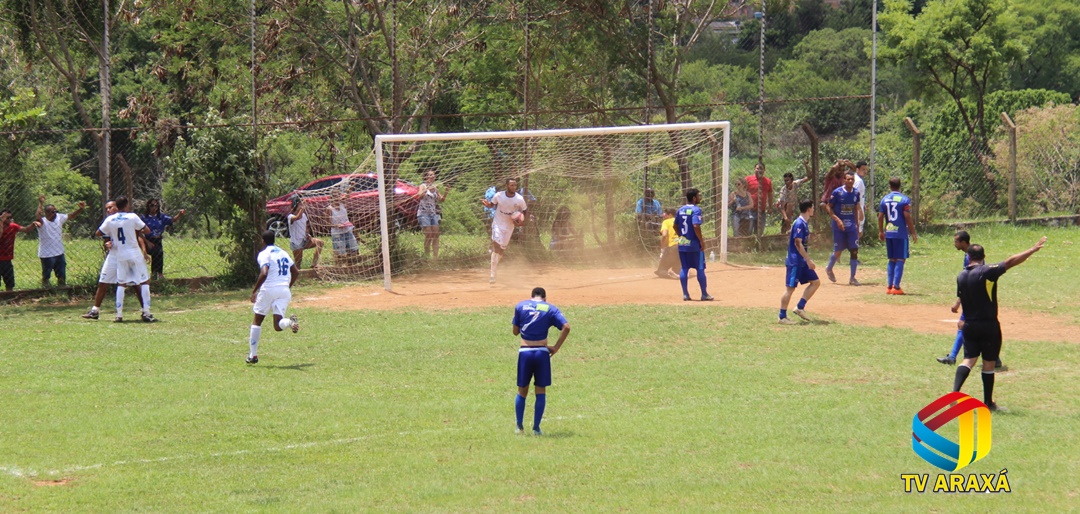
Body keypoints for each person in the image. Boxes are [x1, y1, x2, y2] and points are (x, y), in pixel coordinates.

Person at [952, 236, 1047, 412]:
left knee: (968, 360)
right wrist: (1032, 250)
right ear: (983, 256)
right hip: (988, 325)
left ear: (969, 257)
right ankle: (988, 403)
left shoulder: (961, 276)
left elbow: (962, 299)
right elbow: (1010, 262)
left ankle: (954, 394)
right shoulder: (986, 271)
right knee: (988, 363)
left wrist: (963, 320)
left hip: (969, 325)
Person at [937, 231, 1004, 369]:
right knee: (967, 326)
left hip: (972, 300)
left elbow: (969, 281)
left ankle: (953, 357)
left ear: (963, 242)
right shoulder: (972, 254)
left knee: (965, 325)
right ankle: (993, 358)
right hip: (974, 299)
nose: (954, 243)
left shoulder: (970, 257)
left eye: (956, 241)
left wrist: (957, 302)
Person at [512, 286, 570, 436]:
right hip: (542, 353)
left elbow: (515, 331)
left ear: (531, 296)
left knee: (522, 389)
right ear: (545, 298)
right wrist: (556, 347)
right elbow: (566, 327)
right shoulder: (550, 308)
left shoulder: (520, 306)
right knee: (540, 390)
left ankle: (519, 427)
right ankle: (536, 428)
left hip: (525, 352)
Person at [96, 196, 157, 322]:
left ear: (116, 207)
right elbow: (146, 230)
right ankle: (146, 312)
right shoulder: (132, 217)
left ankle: (119, 315)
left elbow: (98, 233)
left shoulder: (110, 219)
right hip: (134, 253)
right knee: (144, 282)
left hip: (120, 254)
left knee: (121, 283)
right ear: (127, 205)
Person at [82, 201, 145, 320]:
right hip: (114, 254)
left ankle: (145, 310)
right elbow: (101, 234)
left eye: (110, 207)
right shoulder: (110, 221)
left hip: (127, 254)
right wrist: (107, 243)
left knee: (135, 283)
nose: (108, 210)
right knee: (103, 281)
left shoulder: (129, 218)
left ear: (118, 207)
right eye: (106, 208)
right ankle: (95, 311)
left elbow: (138, 234)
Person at [246, 230, 301, 364]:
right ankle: (289, 322)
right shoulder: (283, 252)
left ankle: (253, 355)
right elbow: (295, 271)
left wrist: (254, 290)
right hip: (283, 290)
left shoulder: (264, 254)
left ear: (263, 241)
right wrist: (287, 286)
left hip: (269, 289)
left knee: (257, 320)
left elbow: (264, 273)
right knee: (278, 325)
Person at [779, 200, 821, 324]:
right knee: (790, 289)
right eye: (813, 207)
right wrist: (808, 259)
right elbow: (798, 243)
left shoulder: (804, 223)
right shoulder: (799, 223)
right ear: (808, 209)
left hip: (802, 261)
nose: (813, 210)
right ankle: (782, 317)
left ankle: (800, 307)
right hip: (796, 262)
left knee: (815, 282)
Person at [481, 178, 527, 284]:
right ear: (507, 185)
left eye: (515, 185)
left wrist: (521, 221)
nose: (514, 187)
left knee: (502, 250)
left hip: (509, 225)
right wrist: (488, 205)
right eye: (511, 185)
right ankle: (492, 274)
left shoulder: (519, 199)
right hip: (498, 223)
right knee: (496, 246)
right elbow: (492, 204)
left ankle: (495, 266)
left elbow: (525, 211)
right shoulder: (499, 195)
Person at [35, 194, 86, 288]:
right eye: (52, 212)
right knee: (46, 274)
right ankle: (46, 288)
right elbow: (38, 216)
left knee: (61, 273)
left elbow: (71, 216)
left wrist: (80, 209)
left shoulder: (59, 217)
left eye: (55, 211)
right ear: (46, 213)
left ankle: (61, 288)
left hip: (59, 252)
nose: (55, 213)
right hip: (47, 254)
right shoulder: (42, 222)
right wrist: (40, 203)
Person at [878, 177, 917, 294]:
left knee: (892, 259)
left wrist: (881, 231)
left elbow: (880, 216)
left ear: (890, 186)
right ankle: (897, 287)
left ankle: (889, 287)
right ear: (900, 186)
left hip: (889, 233)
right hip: (900, 234)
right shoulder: (904, 199)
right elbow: (907, 216)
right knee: (901, 259)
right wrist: (913, 232)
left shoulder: (884, 200)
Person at [824, 171, 863, 285]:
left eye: (852, 179)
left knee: (854, 250)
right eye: (848, 179)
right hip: (839, 227)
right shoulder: (837, 193)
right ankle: (829, 268)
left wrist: (857, 225)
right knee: (838, 251)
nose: (850, 181)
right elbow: (828, 207)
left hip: (851, 227)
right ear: (844, 180)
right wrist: (837, 219)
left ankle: (852, 278)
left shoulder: (855, 193)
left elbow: (855, 208)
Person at [675, 188, 713, 301]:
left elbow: (675, 226)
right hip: (694, 244)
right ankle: (704, 294)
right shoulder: (696, 210)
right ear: (694, 198)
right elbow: (696, 225)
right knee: (700, 268)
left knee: (684, 268)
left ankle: (685, 294)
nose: (700, 198)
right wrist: (701, 240)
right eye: (699, 196)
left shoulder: (680, 210)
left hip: (683, 242)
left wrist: (681, 236)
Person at [140, 198, 186, 280]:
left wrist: (179, 214)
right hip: (148, 241)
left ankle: (156, 274)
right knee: (157, 253)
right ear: (148, 206)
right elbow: (139, 232)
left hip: (158, 240)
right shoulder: (144, 218)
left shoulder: (161, 217)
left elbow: (172, 220)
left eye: (156, 205)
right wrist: (147, 242)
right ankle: (158, 274)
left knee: (158, 253)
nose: (154, 207)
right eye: (152, 205)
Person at [0, 209, 41, 291]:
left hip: (7, 259)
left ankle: (9, 296)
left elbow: (26, 229)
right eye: (6, 217)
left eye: (10, 217)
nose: (9, 219)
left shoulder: (13, 226)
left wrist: (33, 224)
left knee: (9, 281)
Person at [415, 169, 447, 259]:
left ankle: (435, 258)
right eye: (430, 175)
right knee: (428, 235)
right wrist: (426, 190)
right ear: (426, 177)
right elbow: (419, 195)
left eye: (433, 175)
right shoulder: (423, 185)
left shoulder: (435, 188)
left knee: (436, 234)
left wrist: (446, 191)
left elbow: (442, 199)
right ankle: (427, 256)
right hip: (423, 214)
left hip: (433, 214)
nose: (433, 176)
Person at [288, 196, 322, 269]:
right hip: (296, 243)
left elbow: (306, 226)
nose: (302, 206)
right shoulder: (290, 216)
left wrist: (308, 234)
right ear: (295, 205)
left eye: (302, 205)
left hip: (304, 240)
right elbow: (297, 217)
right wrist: (302, 208)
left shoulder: (303, 215)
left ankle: (314, 264)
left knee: (320, 242)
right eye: (300, 205)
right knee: (298, 265)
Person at [777, 165, 811, 235]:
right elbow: (782, 207)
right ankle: (787, 230)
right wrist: (786, 218)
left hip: (793, 204)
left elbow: (809, 177)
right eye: (785, 181)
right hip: (785, 205)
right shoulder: (784, 191)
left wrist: (806, 166)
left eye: (788, 180)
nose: (786, 182)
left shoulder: (795, 184)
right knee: (789, 207)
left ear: (792, 180)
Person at [328, 192, 358, 265]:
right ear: (332, 198)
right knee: (340, 254)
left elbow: (347, 195)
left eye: (338, 196)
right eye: (335, 196)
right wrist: (336, 225)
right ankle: (339, 269)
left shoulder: (342, 204)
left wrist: (352, 186)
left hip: (347, 230)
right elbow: (327, 223)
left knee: (353, 250)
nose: (337, 198)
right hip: (337, 233)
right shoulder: (329, 208)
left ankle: (350, 267)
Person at [746, 162, 774, 236]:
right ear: (754, 169)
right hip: (750, 210)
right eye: (757, 168)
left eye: (761, 168)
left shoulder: (768, 181)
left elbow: (770, 194)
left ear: (764, 170)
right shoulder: (748, 179)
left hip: (762, 211)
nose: (759, 170)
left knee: (759, 232)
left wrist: (770, 207)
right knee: (748, 230)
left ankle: (757, 246)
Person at [654, 208, 679, 279]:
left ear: (670, 215)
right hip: (684, 247)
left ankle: (670, 273)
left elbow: (664, 235)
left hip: (673, 247)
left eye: (665, 214)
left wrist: (662, 247)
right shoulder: (680, 221)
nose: (664, 216)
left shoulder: (666, 222)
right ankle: (678, 271)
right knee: (677, 268)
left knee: (661, 271)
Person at [853, 160, 869, 233]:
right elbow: (854, 196)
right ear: (857, 169)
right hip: (857, 210)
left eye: (866, 170)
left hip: (859, 207)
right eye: (863, 169)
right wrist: (859, 211)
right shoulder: (858, 181)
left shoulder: (857, 179)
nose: (865, 171)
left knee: (859, 232)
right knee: (858, 233)